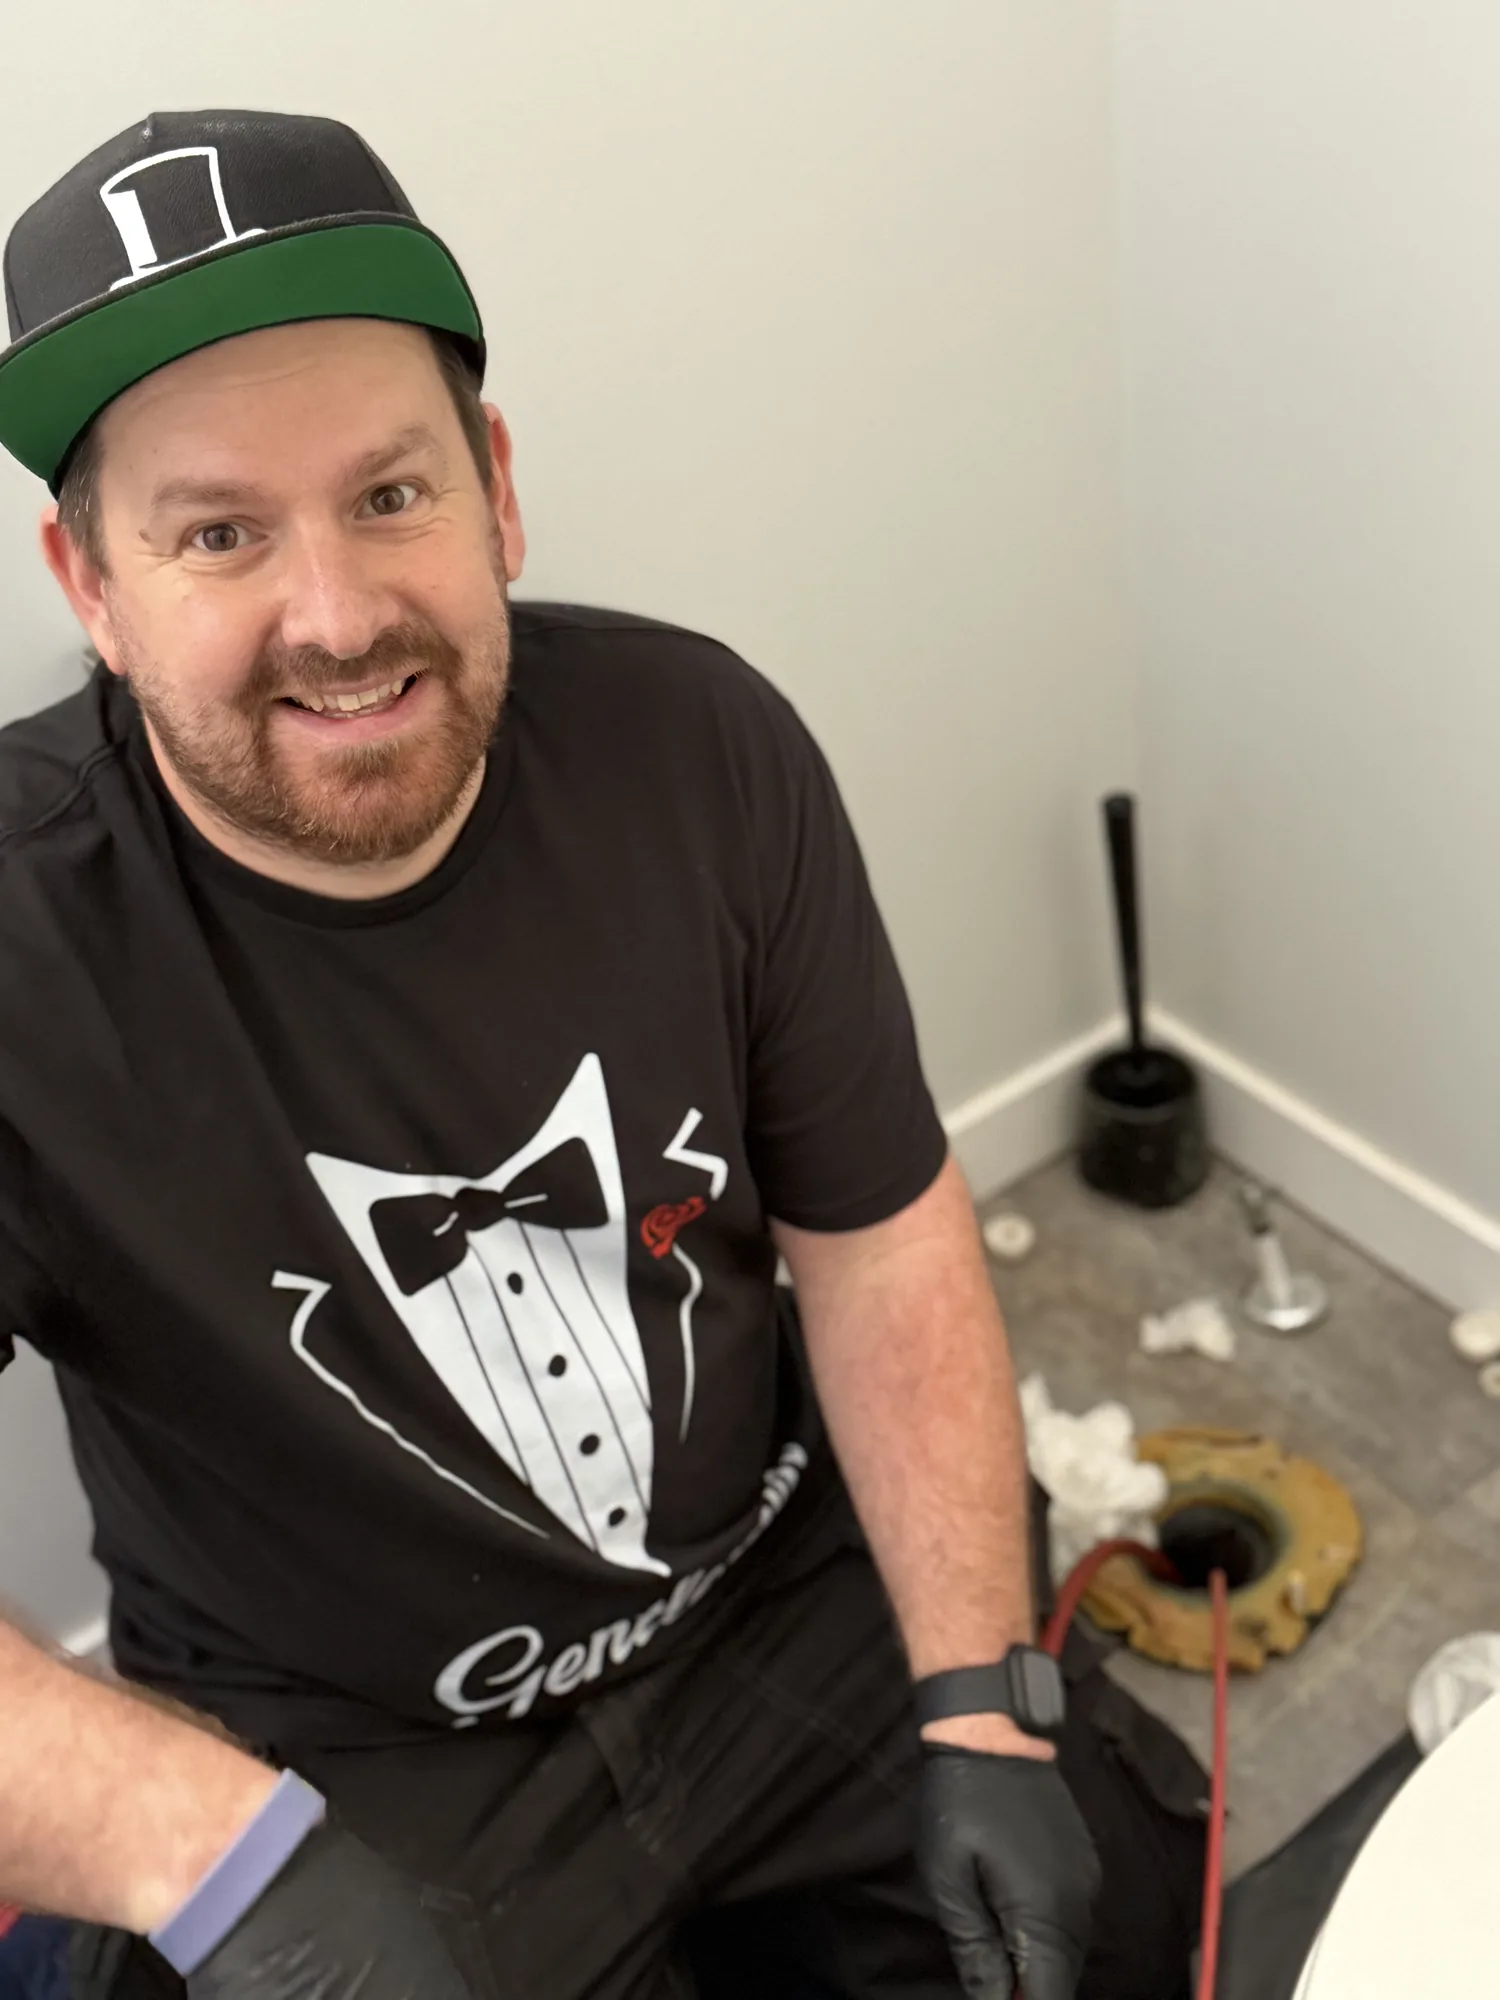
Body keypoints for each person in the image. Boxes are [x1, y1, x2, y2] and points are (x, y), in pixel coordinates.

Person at [0, 109, 1100, 1999]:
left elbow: (884, 1230)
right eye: (218, 533)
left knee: (1105, 1914)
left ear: (496, 488)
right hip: (336, 1752)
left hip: (772, 1588)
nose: (335, 615)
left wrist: (986, 1707)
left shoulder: (706, 748)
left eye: (391, 495)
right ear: (91, 589)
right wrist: (208, 1860)